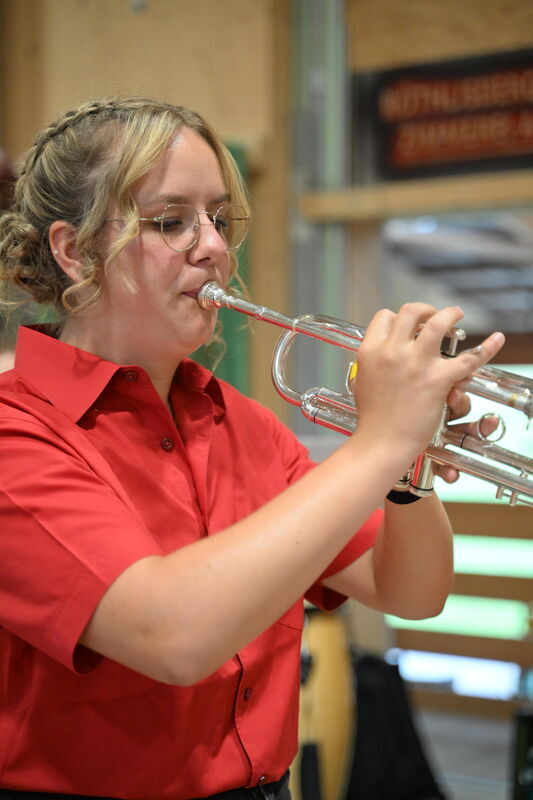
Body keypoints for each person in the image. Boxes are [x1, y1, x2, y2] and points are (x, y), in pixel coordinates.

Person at [0, 97, 504, 800]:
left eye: (217, 217)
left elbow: (410, 592)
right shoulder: (17, 433)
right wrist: (382, 438)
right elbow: (173, 637)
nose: (212, 246)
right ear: (74, 250)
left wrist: (408, 463)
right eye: (171, 221)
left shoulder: (245, 425)